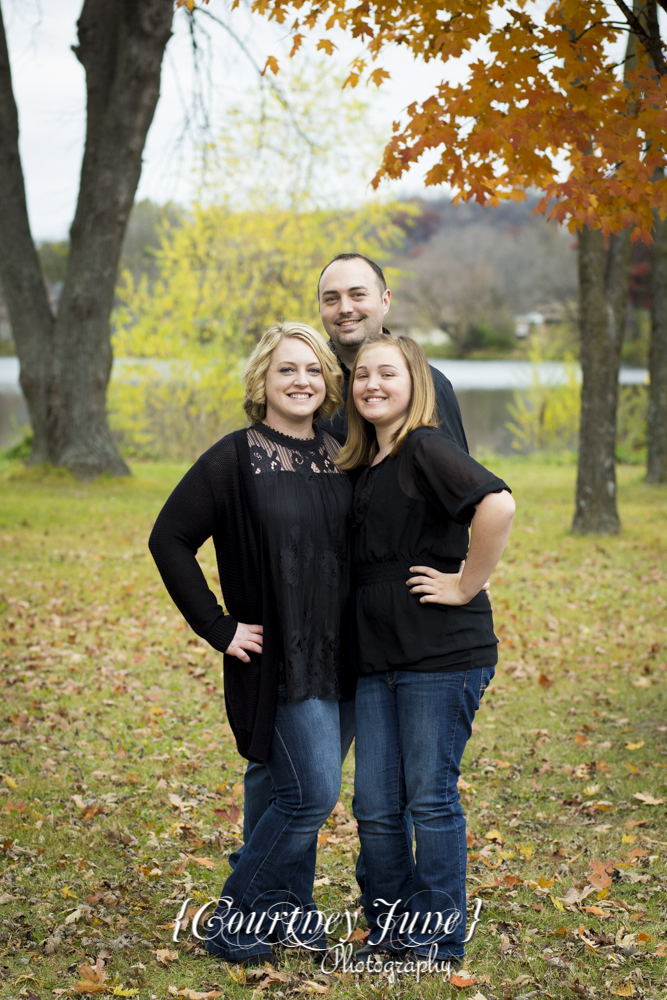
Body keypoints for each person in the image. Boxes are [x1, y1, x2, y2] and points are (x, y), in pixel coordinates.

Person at [235, 253, 470, 880]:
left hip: (391, 620)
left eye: (358, 294)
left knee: (386, 783)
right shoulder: (309, 382)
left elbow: (463, 496)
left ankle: (390, 906)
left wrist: (465, 582)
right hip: (298, 616)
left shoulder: (423, 385)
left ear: (385, 300)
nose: (346, 308)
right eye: (332, 297)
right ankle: (274, 896)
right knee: (283, 768)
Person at [148, 322, 356, 965]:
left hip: (347, 654)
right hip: (279, 656)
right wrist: (218, 626)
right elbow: (169, 539)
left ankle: (290, 912)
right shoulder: (235, 457)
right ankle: (236, 914)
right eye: (287, 369)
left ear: (328, 383)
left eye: (313, 370)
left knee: (275, 784)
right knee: (311, 793)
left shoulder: (344, 451)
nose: (301, 381)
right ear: (262, 379)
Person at [337, 332, 515, 965]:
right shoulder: (365, 464)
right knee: (376, 806)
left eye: (387, 373)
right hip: (377, 659)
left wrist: (468, 582)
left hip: (440, 657)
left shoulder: (425, 448)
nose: (372, 385)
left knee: (430, 799)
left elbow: (497, 502)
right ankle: (389, 931)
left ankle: (436, 939)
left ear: (416, 384)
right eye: (362, 376)